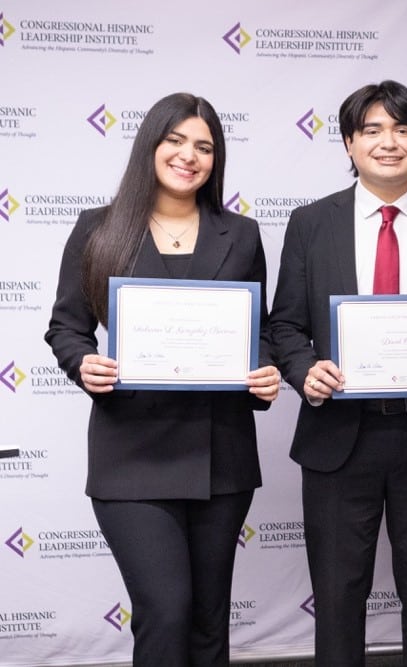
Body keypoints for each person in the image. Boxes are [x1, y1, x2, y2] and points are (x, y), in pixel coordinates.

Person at [44, 92, 281, 666]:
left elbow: (262, 332)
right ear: (150, 145)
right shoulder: (99, 228)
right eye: (175, 141)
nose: (189, 156)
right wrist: (84, 364)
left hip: (220, 457)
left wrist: (265, 370)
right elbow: (66, 328)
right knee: (166, 610)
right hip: (132, 457)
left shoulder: (242, 234)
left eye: (203, 146)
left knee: (207, 620)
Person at [266, 80, 407, 665]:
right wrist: (303, 369)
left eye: (403, 130)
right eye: (372, 130)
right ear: (349, 143)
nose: (388, 142)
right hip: (340, 437)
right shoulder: (312, 224)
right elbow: (285, 325)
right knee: (339, 596)